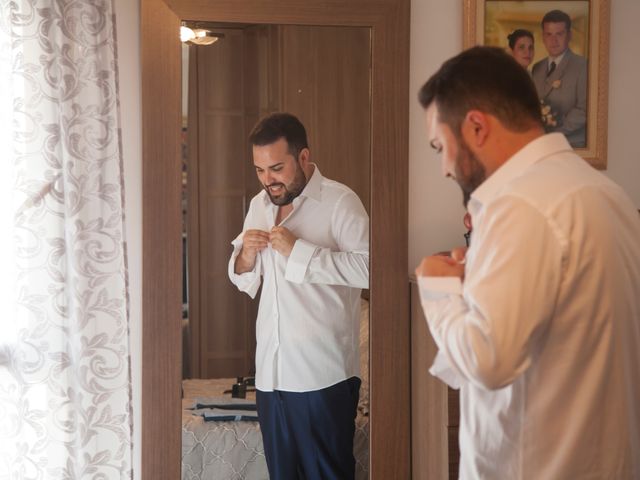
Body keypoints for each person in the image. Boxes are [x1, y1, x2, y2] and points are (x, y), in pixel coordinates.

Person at [415, 46, 640, 479]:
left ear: (476, 126)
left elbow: (488, 359)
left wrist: (438, 286)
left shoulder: (519, 205)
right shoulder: (608, 195)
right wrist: (475, 284)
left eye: (440, 145)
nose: (444, 167)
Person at [228, 112, 369, 479]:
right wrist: (244, 256)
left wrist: (300, 251)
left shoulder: (340, 202)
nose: (267, 180)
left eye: (276, 168)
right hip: (271, 375)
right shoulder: (259, 205)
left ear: (303, 158)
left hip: (322, 376)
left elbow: (371, 270)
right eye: (259, 170)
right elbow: (246, 277)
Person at [531, 9, 587, 148]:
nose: (553, 40)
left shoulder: (583, 66)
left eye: (559, 34)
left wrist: (553, 133)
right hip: (541, 146)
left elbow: (584, 110)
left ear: (569, 36)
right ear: (543, 37)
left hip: (571, 145)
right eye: (548, 34)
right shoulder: (537, 67)